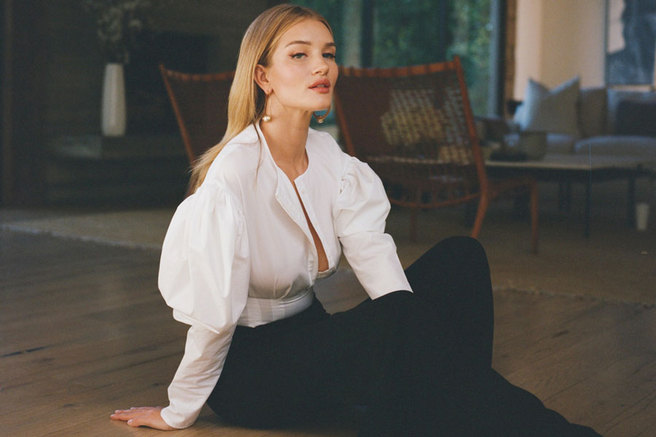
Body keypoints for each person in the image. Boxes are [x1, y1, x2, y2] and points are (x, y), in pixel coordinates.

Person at [111, 4, 601, 436]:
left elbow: (372, 253)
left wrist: (409, 334)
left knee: (461, 257)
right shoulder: (233, 173)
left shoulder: (332, 160)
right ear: (263, 77)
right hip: (255, 373)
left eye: (328, 53)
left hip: (312, 337)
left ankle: (433, 411)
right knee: (405, 321)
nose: (321, 66)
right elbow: (214, 316)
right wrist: (180, 409)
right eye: (299, 54)